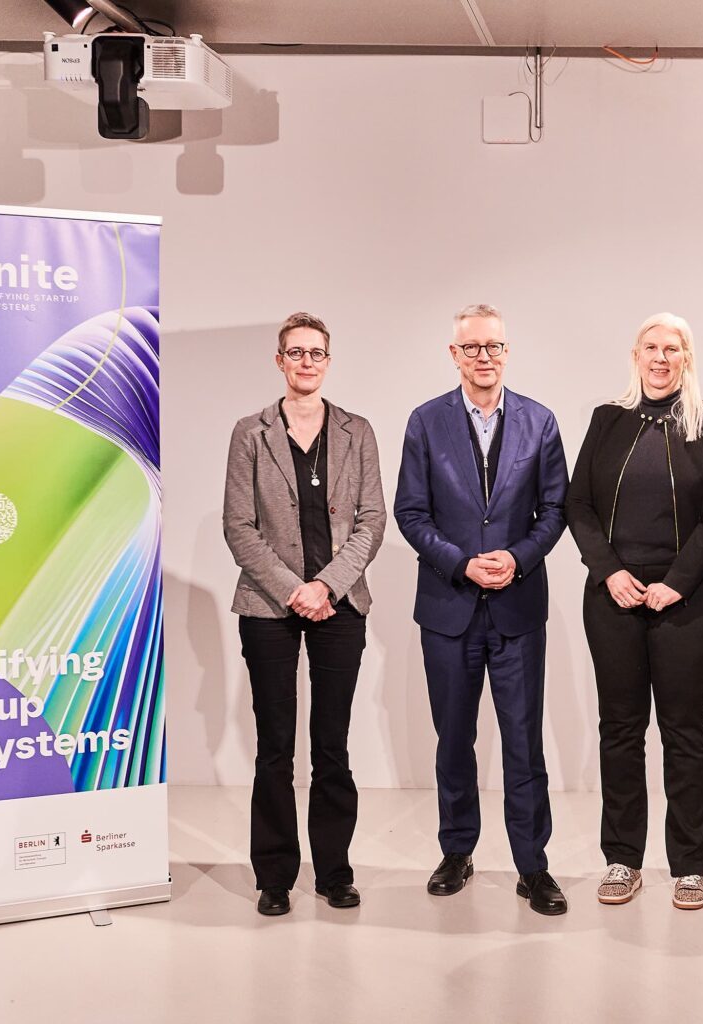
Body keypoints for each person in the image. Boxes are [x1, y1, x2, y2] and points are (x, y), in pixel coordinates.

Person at [393, 303, 571, 916]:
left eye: (493, 346)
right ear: (454, 355)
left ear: (506, 350)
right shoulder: (425, 422)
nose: (484, 357)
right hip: (449, 606)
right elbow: (410, 513)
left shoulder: (540, 421)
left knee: (524, 741)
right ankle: (457, 850)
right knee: (453, 739)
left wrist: (516, 559)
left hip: (518, 606)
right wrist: (460, 562)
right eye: (472, 348)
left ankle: (533, 864)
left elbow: (555, 511)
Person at [565, 313, 703, 911]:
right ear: (635, 355)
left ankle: (689, 866)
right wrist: (609, 572)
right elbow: (577, 503)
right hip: (612, 597)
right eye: (651, 347)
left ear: (687, 358)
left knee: (684, 732)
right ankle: (622, 859)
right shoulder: (606, 419)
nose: (661, 358)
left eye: (673, 348)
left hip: (684, 602)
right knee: (620, 729)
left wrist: (679, 582)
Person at [223, 311, 387, 917]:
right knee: (274, 745)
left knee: (333, 746)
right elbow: (237, 526)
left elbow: (372, 521)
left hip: (341, 603)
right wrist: (296, 589)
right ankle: (274, 875)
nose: (307, 362)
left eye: (316, 352)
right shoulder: (251, 432)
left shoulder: (356, 431)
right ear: (279, 361)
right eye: (296, 353)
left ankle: (335, 871)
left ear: (328, 359)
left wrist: (326, 586)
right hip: (268, 606)